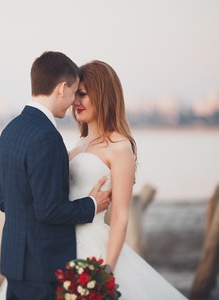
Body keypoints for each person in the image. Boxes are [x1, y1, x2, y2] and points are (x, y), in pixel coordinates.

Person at [0, 51, 111, 300]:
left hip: (14, 262)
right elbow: (48, 210)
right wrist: (91, 205)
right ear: (61, 88)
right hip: (41, 265)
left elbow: (4, 201)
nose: (73, 103)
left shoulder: (10, 130)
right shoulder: (46, 136)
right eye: (74, 92)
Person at [67, 60, 187, 299]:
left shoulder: (119, 147)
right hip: (62, 243)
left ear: (102, 96)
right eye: (74, 95)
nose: (76, 102)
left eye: (82, 94)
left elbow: (121, 216)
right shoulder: (79, 144)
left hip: (93, 247)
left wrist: (107, 270)